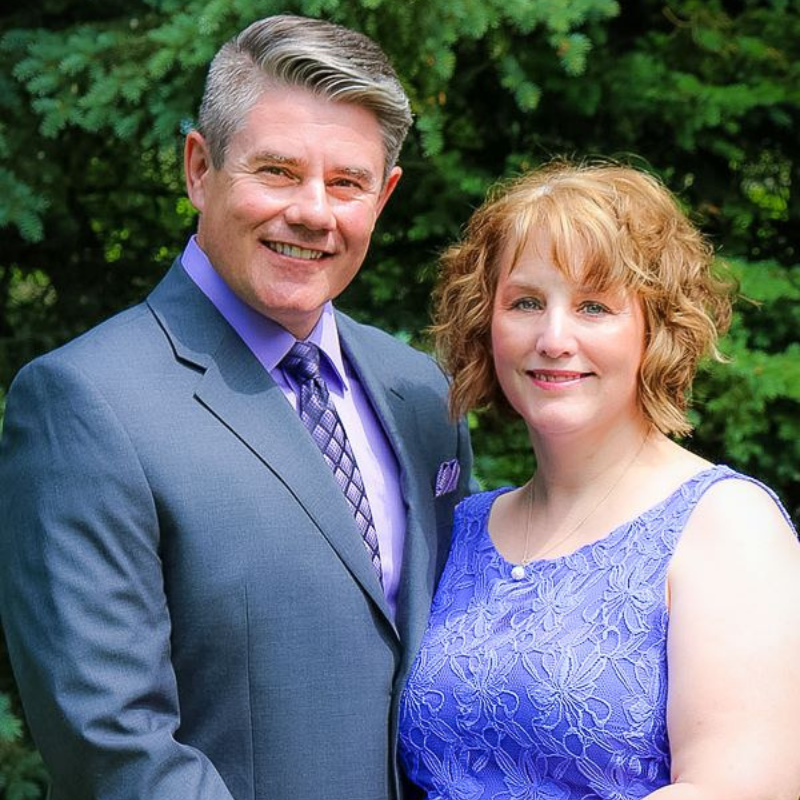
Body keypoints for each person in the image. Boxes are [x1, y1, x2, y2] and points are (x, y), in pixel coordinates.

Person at [0, 15, 472, 800]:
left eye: (347, 182)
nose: (315, 212)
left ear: (383, 197)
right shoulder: (86, 403)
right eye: (278, 171)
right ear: (198, 167)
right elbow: (114, 746)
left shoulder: (422, 393)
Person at [398, 161, 800, 799]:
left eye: (594, 307)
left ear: (655, 330)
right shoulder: (461, 526)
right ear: (487, 323)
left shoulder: (727, 527)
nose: (554, 338)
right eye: (526, 302)